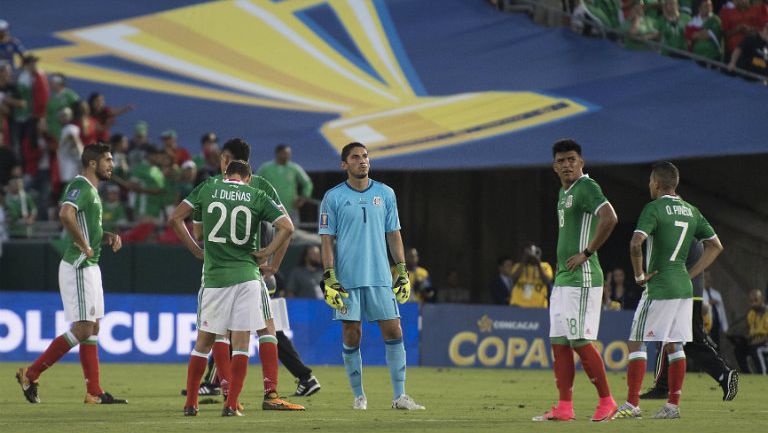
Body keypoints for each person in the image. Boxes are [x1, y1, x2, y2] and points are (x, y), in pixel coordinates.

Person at [184, 138, 316, 402]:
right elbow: (286, 225)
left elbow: (196, 232)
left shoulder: (212, 187)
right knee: (266, 329)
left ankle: (228, 389)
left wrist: (271, 263)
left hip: (223, 271)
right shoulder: (261, 186)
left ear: (229, 160)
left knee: (226, 332)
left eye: (223, 158)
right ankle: (267, 391)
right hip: (253, 270)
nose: (220, 162)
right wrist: (273, 263)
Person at [15, 143, 126, 405]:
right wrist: (84, 245)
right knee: (84, 327)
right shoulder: (80, 186)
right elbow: (66, 214)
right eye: (108, 160)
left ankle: (94, 392)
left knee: (93, 326)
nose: (112, 164)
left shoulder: (93, 191)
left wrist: (105, 237)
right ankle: (31, 373)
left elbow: (88, 226)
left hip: (92, 265)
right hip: (79, 265)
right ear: (92, 164)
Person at [613, 161, 724, 420]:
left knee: (637, 340)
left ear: (657, 184)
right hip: (684, 288)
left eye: (650, 182)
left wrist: (639, 275)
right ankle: (673, 406)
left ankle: (631, 404)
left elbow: (635, 243)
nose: (649, 186)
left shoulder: (653, 209)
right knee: (675, 345)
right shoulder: (691, 211)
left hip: (660, 286)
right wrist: (691, 273)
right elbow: (716, 246)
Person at [319, 141, 424, 411]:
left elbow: (394, 233)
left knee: (393, 330)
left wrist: (401, 270)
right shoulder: (333, 197)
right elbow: (327, 240)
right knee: (352, 334)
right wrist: (329, 276)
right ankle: (359, 397)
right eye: (355, 157)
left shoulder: (386, 194)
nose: (362, 161)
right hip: (348, 278)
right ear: (344, 165)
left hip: (379, 276)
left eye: (365, 156)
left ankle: (400, 396)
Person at [533, 138, 618, 422]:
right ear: (554, 167)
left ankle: (607, 401)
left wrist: (587, 252)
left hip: (581, 277)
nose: (567, 164)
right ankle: (565, 406)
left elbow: (610, 217)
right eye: (562, 160)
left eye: (572, 159)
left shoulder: (587, 187)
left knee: (580, 340)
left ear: (581, 162)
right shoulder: (564, 191)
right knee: (559, 341)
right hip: (563, 278)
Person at [640, 241, 738, 402]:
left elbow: (668, 262)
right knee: (675, 339)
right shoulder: (693, 228)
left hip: (682, 293)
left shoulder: (681, 231)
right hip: (691, 293)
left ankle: (724, 373)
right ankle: (663, 386)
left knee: (683, 340)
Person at [257, 144, 313, 223]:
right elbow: (255, 182)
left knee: (291, 233)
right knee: (270, 234)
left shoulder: (294, 168)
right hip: (270, 209)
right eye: (285, 153)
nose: (288, 156)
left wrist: (303, 197)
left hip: (290, 209)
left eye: (289, 154)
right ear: (278, 153)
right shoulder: (266, 168)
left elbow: (307, 183)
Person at [509, 243, 552, 308]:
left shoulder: (545, 266)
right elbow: (513, 279)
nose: (530, 255)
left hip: (539, 306)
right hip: (518, 305)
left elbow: (547, 281)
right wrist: (524, 260)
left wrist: (538, 263)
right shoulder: (518, 266)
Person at [56, 107, 84, 185]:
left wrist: (81, 157)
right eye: (61, 115)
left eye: (65, 115)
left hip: (71, 170)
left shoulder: (70, 128)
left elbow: (75, 141)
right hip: (65, 168)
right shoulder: (64, 130)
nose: (63, 117)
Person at [703, 270, 729, 348]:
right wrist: (709, 303)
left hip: (716, 326)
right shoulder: (699, 293)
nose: (708, 279)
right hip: (705, 326)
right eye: (705, 277)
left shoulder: (716, 294)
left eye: (709, 277)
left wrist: (725, 327)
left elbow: (722, 311)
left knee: (717, 347)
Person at [746, 288, 768, 373]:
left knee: (756, 349)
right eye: (751, 301)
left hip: (765, 343)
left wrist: (756, 342)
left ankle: (763, 373)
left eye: (756, 300)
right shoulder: (751, 314)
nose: (753, 303)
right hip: (755, 342)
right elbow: (750, 332)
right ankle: (747, 374)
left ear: (761, 299)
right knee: (739, 349)